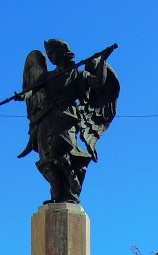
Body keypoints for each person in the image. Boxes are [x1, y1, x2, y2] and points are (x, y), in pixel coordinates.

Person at [16, 39, 119, 204]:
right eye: (48, 54)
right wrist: (22, 95)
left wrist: (102, 62)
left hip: (66, 117)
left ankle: (72, 178)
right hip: (45, 118)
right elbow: (31, 91)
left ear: (64, 53)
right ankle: (57, 194)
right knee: (47, 160)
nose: (50, 57)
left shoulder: (77, 75)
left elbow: (98, 81)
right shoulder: (47, 76)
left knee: (59, 152)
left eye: (53, 53)